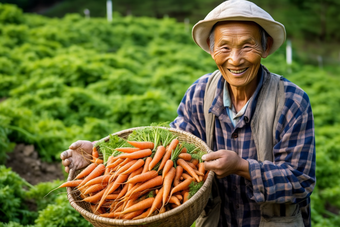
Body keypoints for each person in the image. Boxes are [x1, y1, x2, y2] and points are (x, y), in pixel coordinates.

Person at [61, 0, 316, 226]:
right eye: (224, 47)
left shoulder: (291, 101)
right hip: (215, 220)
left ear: (266, 47)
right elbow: (171, 146)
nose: (235, 59)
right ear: (211, 48)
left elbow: (301, 181)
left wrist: (242, 167)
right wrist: (99, 155)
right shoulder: (200, 92)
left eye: (247, 46)